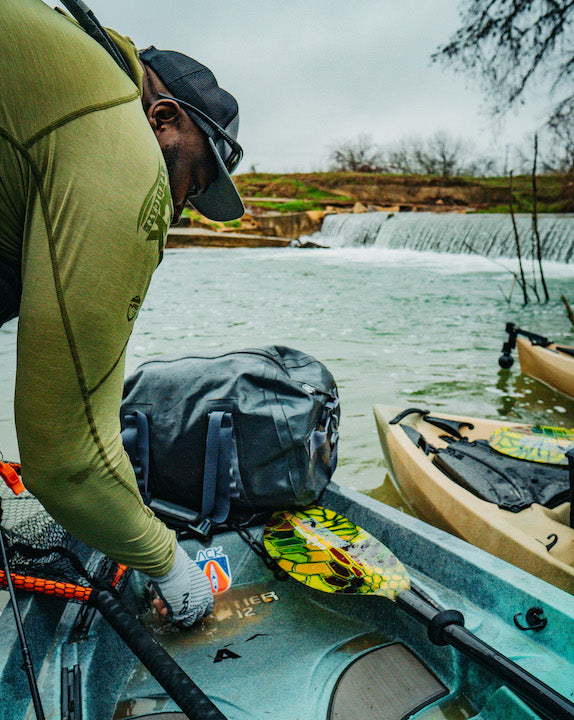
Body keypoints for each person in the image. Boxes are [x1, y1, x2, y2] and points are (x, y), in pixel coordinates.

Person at [0, 0, 244, 626]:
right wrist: (169, 564)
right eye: (192, 181)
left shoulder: (72, 59)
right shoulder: (124, 144)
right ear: (163, 120)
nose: (181, 209)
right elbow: (69, 463)